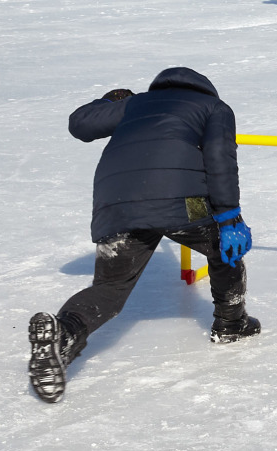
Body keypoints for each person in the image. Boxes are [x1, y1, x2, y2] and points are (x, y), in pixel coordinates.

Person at [27, 68, 259, 403]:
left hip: (117, 204)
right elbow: (220, 160)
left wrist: (111, 100)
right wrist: (229, 216)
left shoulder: (135, 105)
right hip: (183, 201)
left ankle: (64, 333)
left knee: (110, 288)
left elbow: (80, 123)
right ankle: (231, 323)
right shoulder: (213, 108)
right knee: (225, 250)